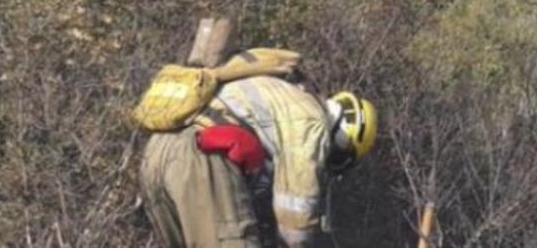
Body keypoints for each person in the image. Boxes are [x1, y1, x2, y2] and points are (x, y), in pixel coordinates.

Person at [139, 48, 378, 247]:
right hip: (202, 157)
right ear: (344, 137)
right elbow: (295, 214)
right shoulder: (311, 120)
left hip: (157, 152)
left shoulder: (277, 91)